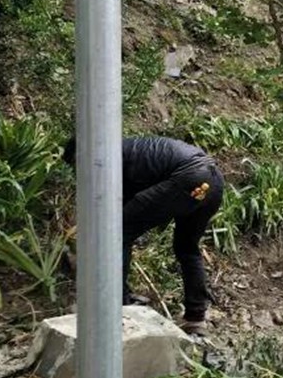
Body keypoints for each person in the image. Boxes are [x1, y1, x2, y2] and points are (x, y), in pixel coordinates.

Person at [62, 136, 224, 334]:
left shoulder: (106, 159)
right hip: (213, 181)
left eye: (76, 164)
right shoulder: (123, 151)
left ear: (81, 154)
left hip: (189, 176)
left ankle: (117, 304)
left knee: (119, 232)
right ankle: (195, 318)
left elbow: (117, 212)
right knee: (187, 248)